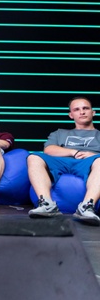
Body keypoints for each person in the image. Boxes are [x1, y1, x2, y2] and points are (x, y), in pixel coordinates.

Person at [27, 96, 100, 225]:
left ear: (93, 112)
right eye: (77, 109)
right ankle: (47, 204)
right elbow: (49, 150)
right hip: (62, 162)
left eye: (85, 108)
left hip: (90, 162)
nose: (82, 112)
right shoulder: (60, 133)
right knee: (33, 157)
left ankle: (87, 206)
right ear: (71, 115)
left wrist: (93, 154)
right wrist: (73, 152)